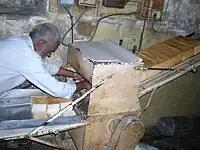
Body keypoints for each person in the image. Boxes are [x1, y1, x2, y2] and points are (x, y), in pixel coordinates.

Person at [0, 23, 91, 99]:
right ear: (41, 43)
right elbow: (58, 90)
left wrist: (74, 74)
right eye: (50, 51)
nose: (49, 55)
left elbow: (44, 65)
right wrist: (83, 85)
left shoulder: (21, 42)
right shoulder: (26, 56)